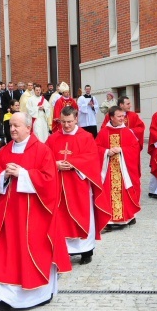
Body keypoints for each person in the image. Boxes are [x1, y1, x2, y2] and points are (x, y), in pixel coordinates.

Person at [0, 112, 72, 311]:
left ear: (28, 128)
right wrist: (4, 174)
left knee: (32, 253)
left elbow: (49, 180)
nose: (12, 129)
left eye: (16, 126)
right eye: (11, 126)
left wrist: (22, 173)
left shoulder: (42, 151)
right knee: (6, 254)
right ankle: (4, 299)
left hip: (35, 217)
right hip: (9, 216)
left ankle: (38, 295)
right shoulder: (4, 151)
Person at [47, 107, 111, 265]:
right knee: (62, 219)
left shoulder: (86, 136)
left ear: (76, 119)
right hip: (60, 186)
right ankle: (65, 252)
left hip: (79, 185)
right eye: (63, 122)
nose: (66, 125)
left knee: (83, 216)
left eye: (69, 122)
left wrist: (73, 163)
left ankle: (86, 251)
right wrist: (55, 164)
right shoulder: (53, 138)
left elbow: (92, 158)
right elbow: (45, 157)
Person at [96, 106, 141, 229]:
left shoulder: (127, 132)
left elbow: (135, 148)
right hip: (108, 169)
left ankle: (128, 217)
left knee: (125, 191)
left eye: (123, 116)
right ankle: (110, 221)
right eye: (119, 116)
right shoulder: (104, 132)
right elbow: (96, 148)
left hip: (123, 170)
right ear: (111, 117)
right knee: (108, 192)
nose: (123, 119)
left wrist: (121, 150)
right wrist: (106, 152)